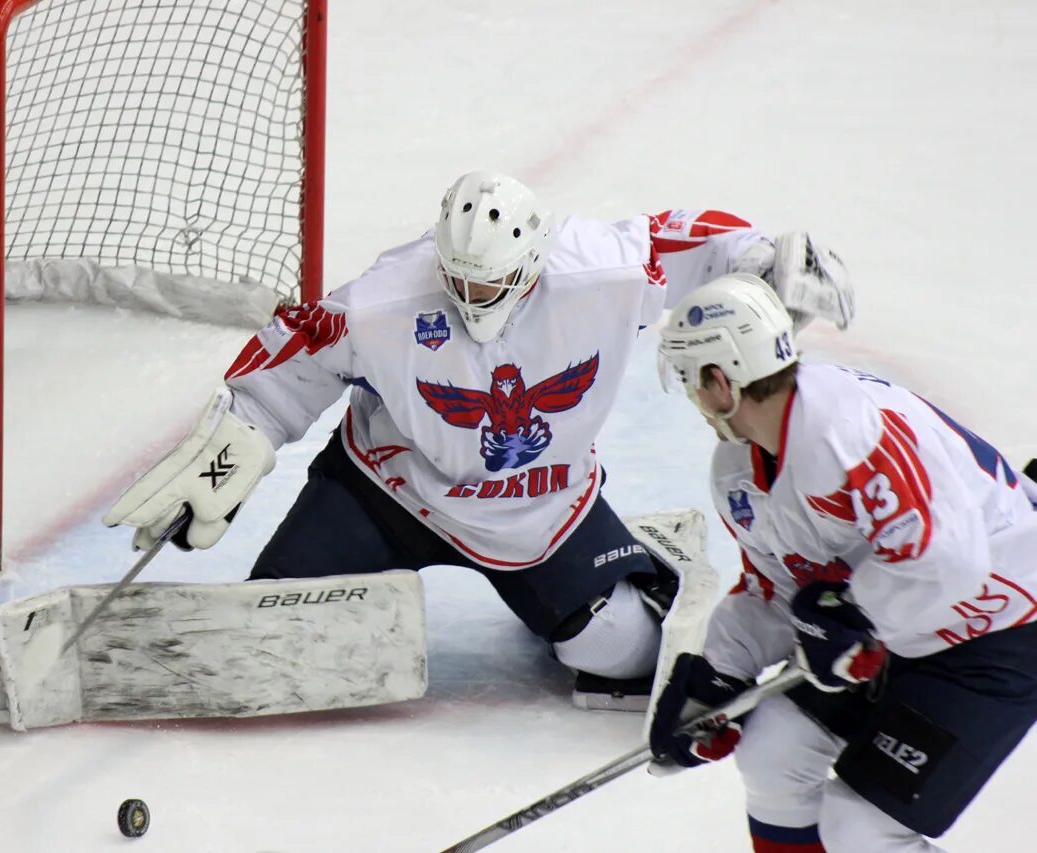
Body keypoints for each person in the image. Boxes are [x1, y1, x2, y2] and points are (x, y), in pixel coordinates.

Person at [103, 171, 852, 709]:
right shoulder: (387, 299)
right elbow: (299, 350)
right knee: (276, 630)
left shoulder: (602, 270)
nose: (471, 297)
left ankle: (607, 579)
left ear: (530, 262)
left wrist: (769, 262)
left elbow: (687, 237)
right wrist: (240, 440)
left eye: (489, 285)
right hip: (390, 490)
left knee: (622, 650)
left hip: (538, 510)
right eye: (457, 279)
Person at [649, 273, 1037, 850]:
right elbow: (776, 589)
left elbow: (952, 561)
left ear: (719, 380)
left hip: (998, 629)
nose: (691, 398)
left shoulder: (852, 429)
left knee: (859, 826)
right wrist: (716, 677)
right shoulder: (738, 471)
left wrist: (852, 613)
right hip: (894, 633)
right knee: (772, 753)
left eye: (689, 380)